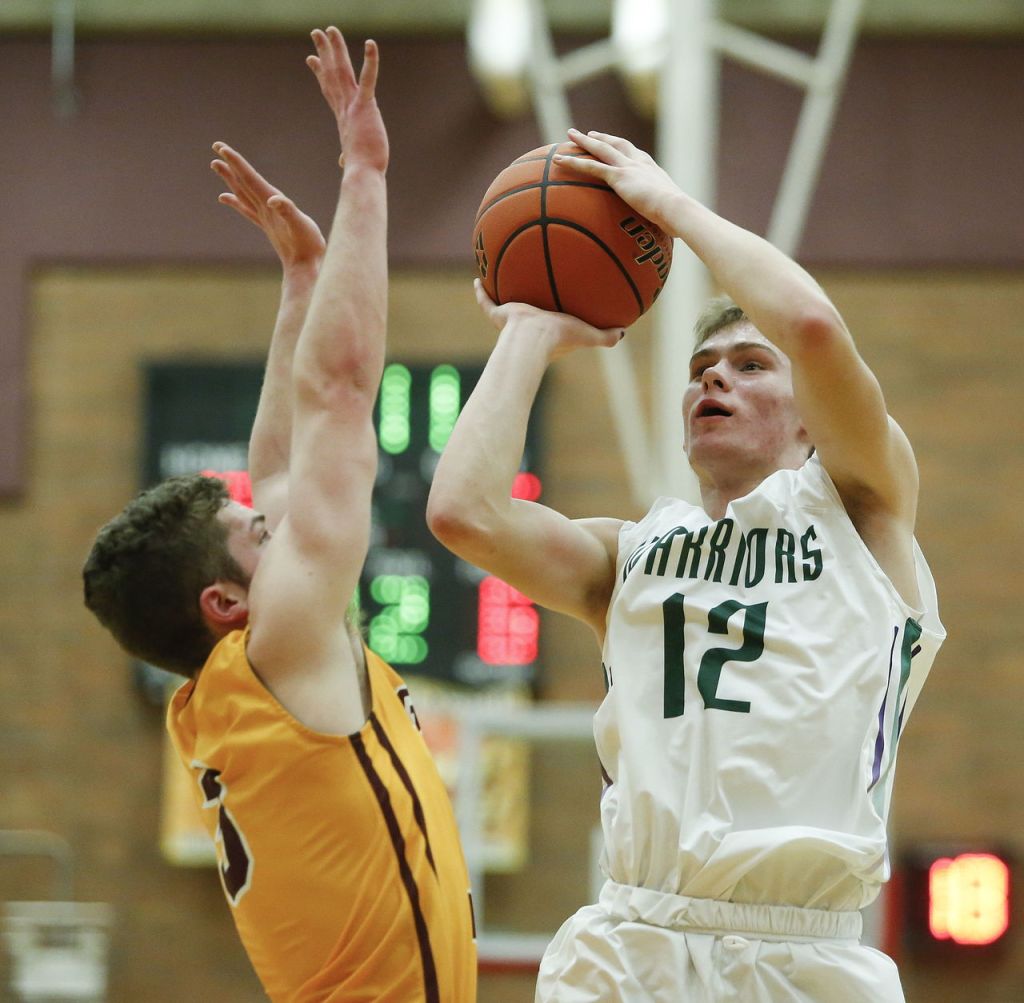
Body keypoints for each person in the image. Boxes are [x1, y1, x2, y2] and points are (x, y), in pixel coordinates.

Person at [427, 127, 944, 1002]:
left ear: (813, 415)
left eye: (751, 365)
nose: (716, 380)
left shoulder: (864, 509)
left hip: (802, 956)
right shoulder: (631, 553)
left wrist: (668, 207)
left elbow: (812, 326)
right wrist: (527, 330)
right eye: (703, 367)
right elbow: (463, 513)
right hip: (632, 942)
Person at [83, 28, 476, 1002]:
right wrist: (367, 176)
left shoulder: (238, 687)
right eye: (257, 534)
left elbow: (281, 464)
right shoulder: (283, 647)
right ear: (225, 600)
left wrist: (302, 286)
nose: (275, 521)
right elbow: (340, 394)